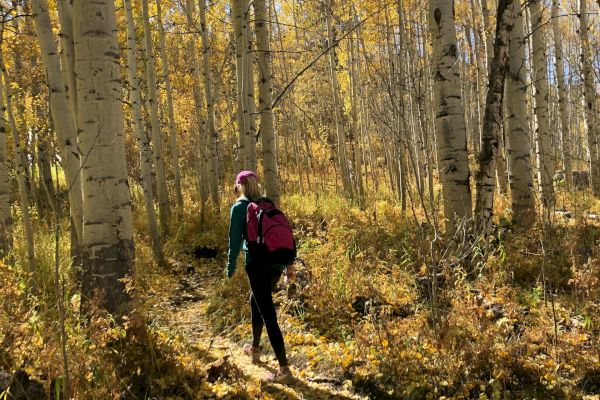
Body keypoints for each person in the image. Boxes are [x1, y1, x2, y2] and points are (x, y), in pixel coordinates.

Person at [226, 171, 293, 383]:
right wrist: (289, 265)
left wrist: (230, 266)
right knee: (255, 300)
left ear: (240, 186)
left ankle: (284, 369)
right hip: (276, 262)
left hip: (257, 264)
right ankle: (255, 348)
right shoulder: (266, 205)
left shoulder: (239, 207)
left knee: (267, 310)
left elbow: (234, 240)